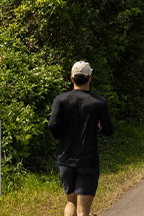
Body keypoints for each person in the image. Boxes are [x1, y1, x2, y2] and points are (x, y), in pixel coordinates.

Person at [48, 61, 114, 216]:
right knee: (83, 210)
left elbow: (52, 125)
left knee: (71, 202)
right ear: (90, 78)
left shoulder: (60, 100)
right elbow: (108, 131)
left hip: (65, 159)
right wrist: (98, 126)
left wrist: (61, 136)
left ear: (71, 79)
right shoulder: (98, 102)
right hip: (87, 160)